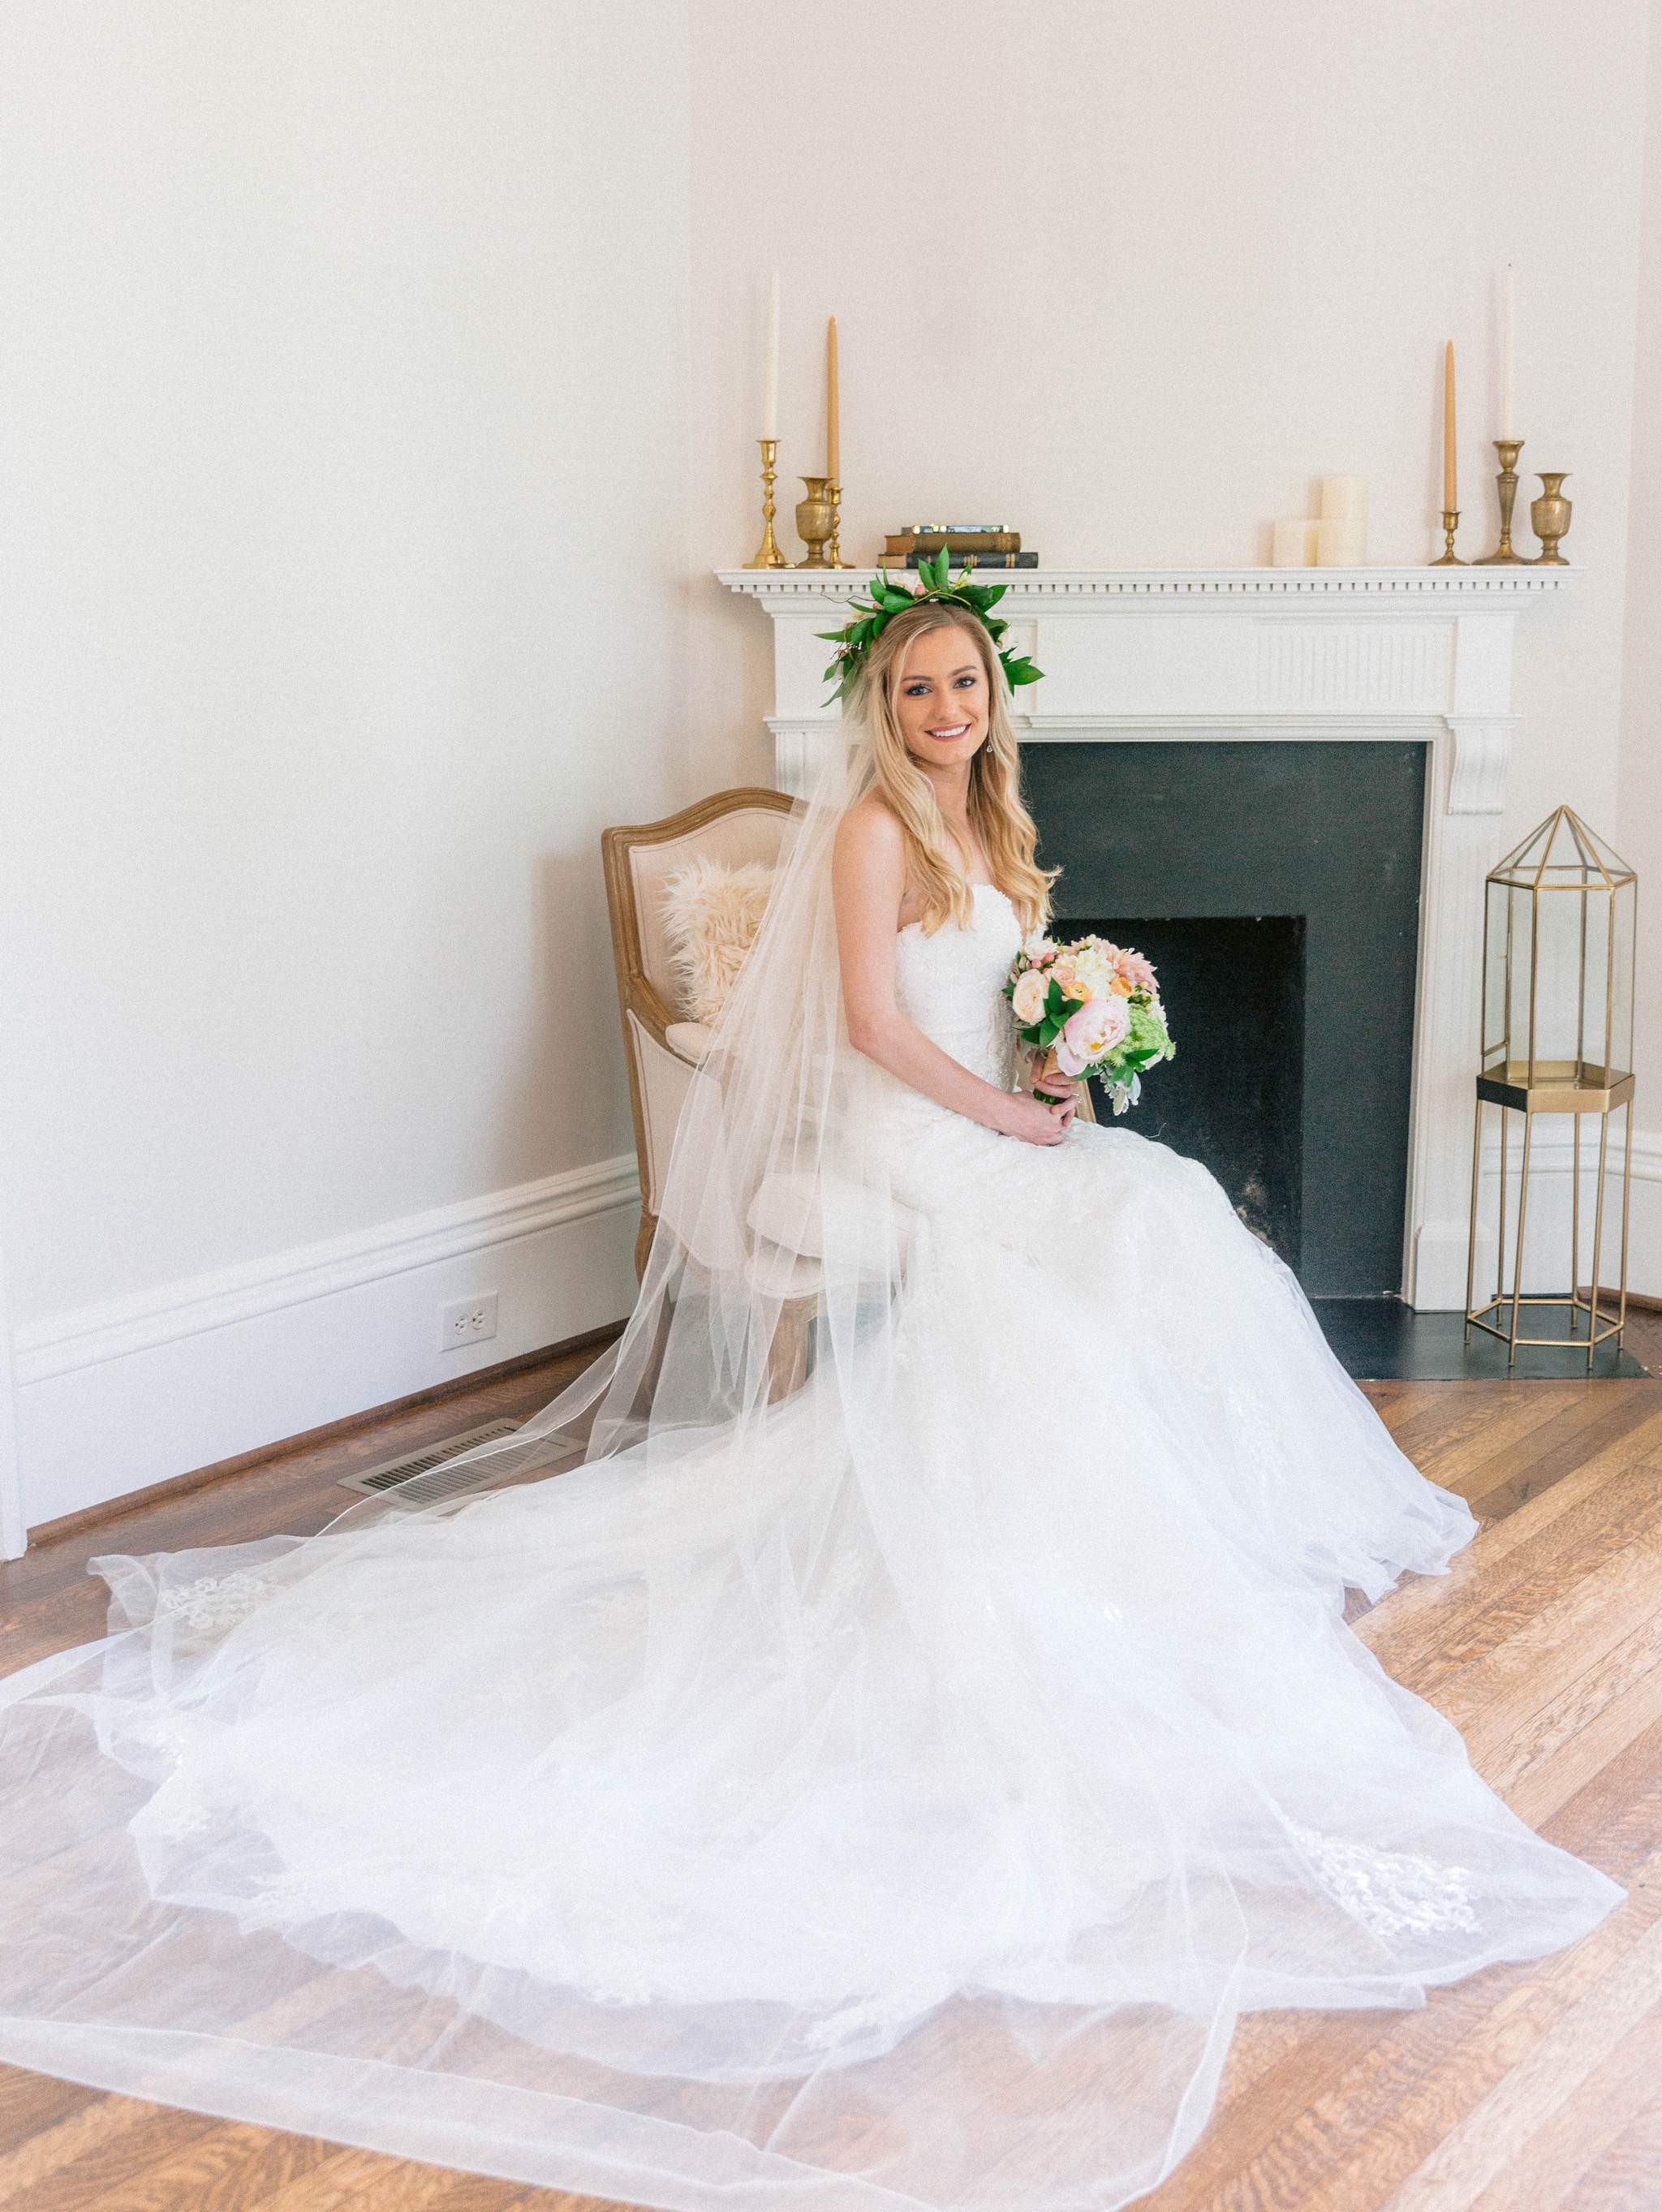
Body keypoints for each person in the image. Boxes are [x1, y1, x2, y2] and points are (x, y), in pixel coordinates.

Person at [0, 580, 1621, 2212]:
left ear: (994, 692)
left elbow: (1007, 999)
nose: (942, 705)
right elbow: (864, 1025)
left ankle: (1171, 1527)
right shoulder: (865, 831)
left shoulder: (995, 825)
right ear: (884, 702)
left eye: (963, 679)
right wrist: (1009, 1111)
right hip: (907, 1128)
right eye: (917, 685)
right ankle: (1055, 1554)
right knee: (1119, 1229)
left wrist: (1063, 1057)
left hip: (987, 1110)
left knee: (1166, 1209)